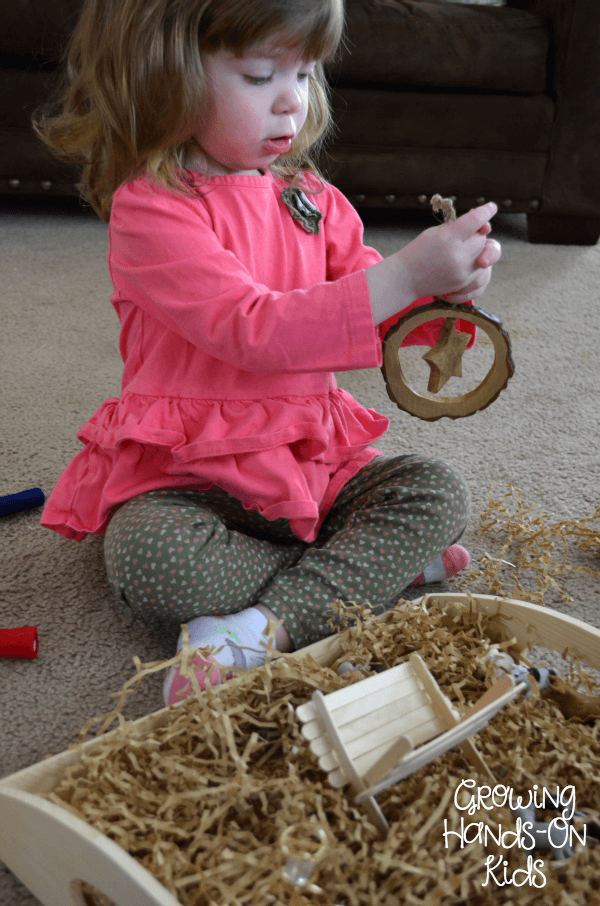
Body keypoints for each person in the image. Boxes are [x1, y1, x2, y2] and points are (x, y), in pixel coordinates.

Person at [34, 0, 501, 707]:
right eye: (259, 75)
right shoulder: (153, 209)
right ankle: (355, 573)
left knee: (436, 492)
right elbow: (251, 328)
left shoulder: (311, 197)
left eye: (306, 73)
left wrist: (444, 299)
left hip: (308, 462)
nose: (292, 100)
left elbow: (376, 313)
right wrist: (403, 275)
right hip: (189, 476)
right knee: (149, 562)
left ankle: (260, 627)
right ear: (167, 74)